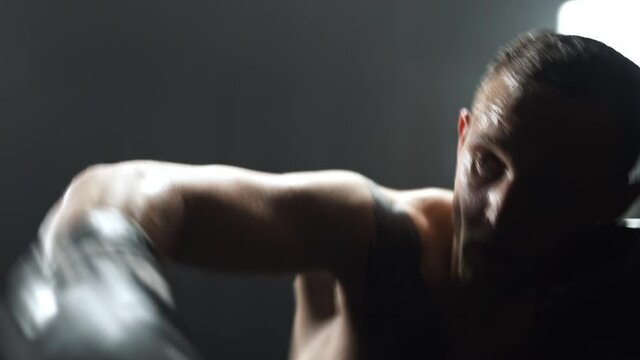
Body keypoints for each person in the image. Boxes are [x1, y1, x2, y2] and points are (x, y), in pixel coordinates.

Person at [31, 31, 640, 359]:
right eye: (486, 163)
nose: (498, 211)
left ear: (616, 203)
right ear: (461, 138)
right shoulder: (378, 235)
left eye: (552, 192)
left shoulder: (613, 303)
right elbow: (120, 189)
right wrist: (103, 295)